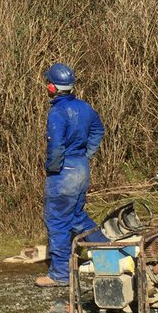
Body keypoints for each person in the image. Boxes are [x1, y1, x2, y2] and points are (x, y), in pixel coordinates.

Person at [34, 63, 106, 288]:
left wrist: (53, 168)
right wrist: (86, 154)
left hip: (63, 173)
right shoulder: (85, 108)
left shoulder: (57, 113)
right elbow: (98, 130)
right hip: (81, 169)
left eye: (48, 83)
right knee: (76, 216)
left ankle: (60, 274)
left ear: (53, 88)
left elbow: (55, 148)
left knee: (57, 221)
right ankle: (111, 252)